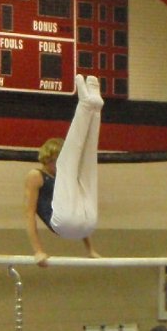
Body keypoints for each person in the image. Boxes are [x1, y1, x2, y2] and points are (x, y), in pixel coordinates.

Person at [25, 73, 103, 266]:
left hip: (87, 223)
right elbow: (29, 214)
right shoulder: (36, 176)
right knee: (70, 167)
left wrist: (90, 250)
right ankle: (85, 106)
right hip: (62, 223)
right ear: (47, 159)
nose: (58, 164)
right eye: (55, 160)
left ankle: (95, 110)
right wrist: (38, 251)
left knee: (87, 164)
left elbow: (78, 201)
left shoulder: (67, 177)